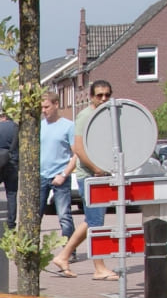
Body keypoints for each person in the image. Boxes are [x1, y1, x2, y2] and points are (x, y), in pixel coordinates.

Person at [49, 80, 118, 280]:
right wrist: (96, 168)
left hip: (99, 174)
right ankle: (99, 267)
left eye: (107, 95)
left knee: (91, 220)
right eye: (99, 95)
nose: (104, 98)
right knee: (96, 222)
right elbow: (78, 148)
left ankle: (63, 256)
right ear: (91, 96)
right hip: (89, 176)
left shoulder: (106, 115)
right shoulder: (85, 116)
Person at [39, 93, 76, 276]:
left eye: (46, 107)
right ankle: (33, 250)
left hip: (59, 176)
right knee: (35, 215)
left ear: (56, 104)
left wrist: (64, 174)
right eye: (42, 108)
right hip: (41, 176)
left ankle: (69, 250)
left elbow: (75, 154)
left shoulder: (68, 126)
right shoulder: (39, 126)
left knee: (64, 215)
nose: (43, 111)